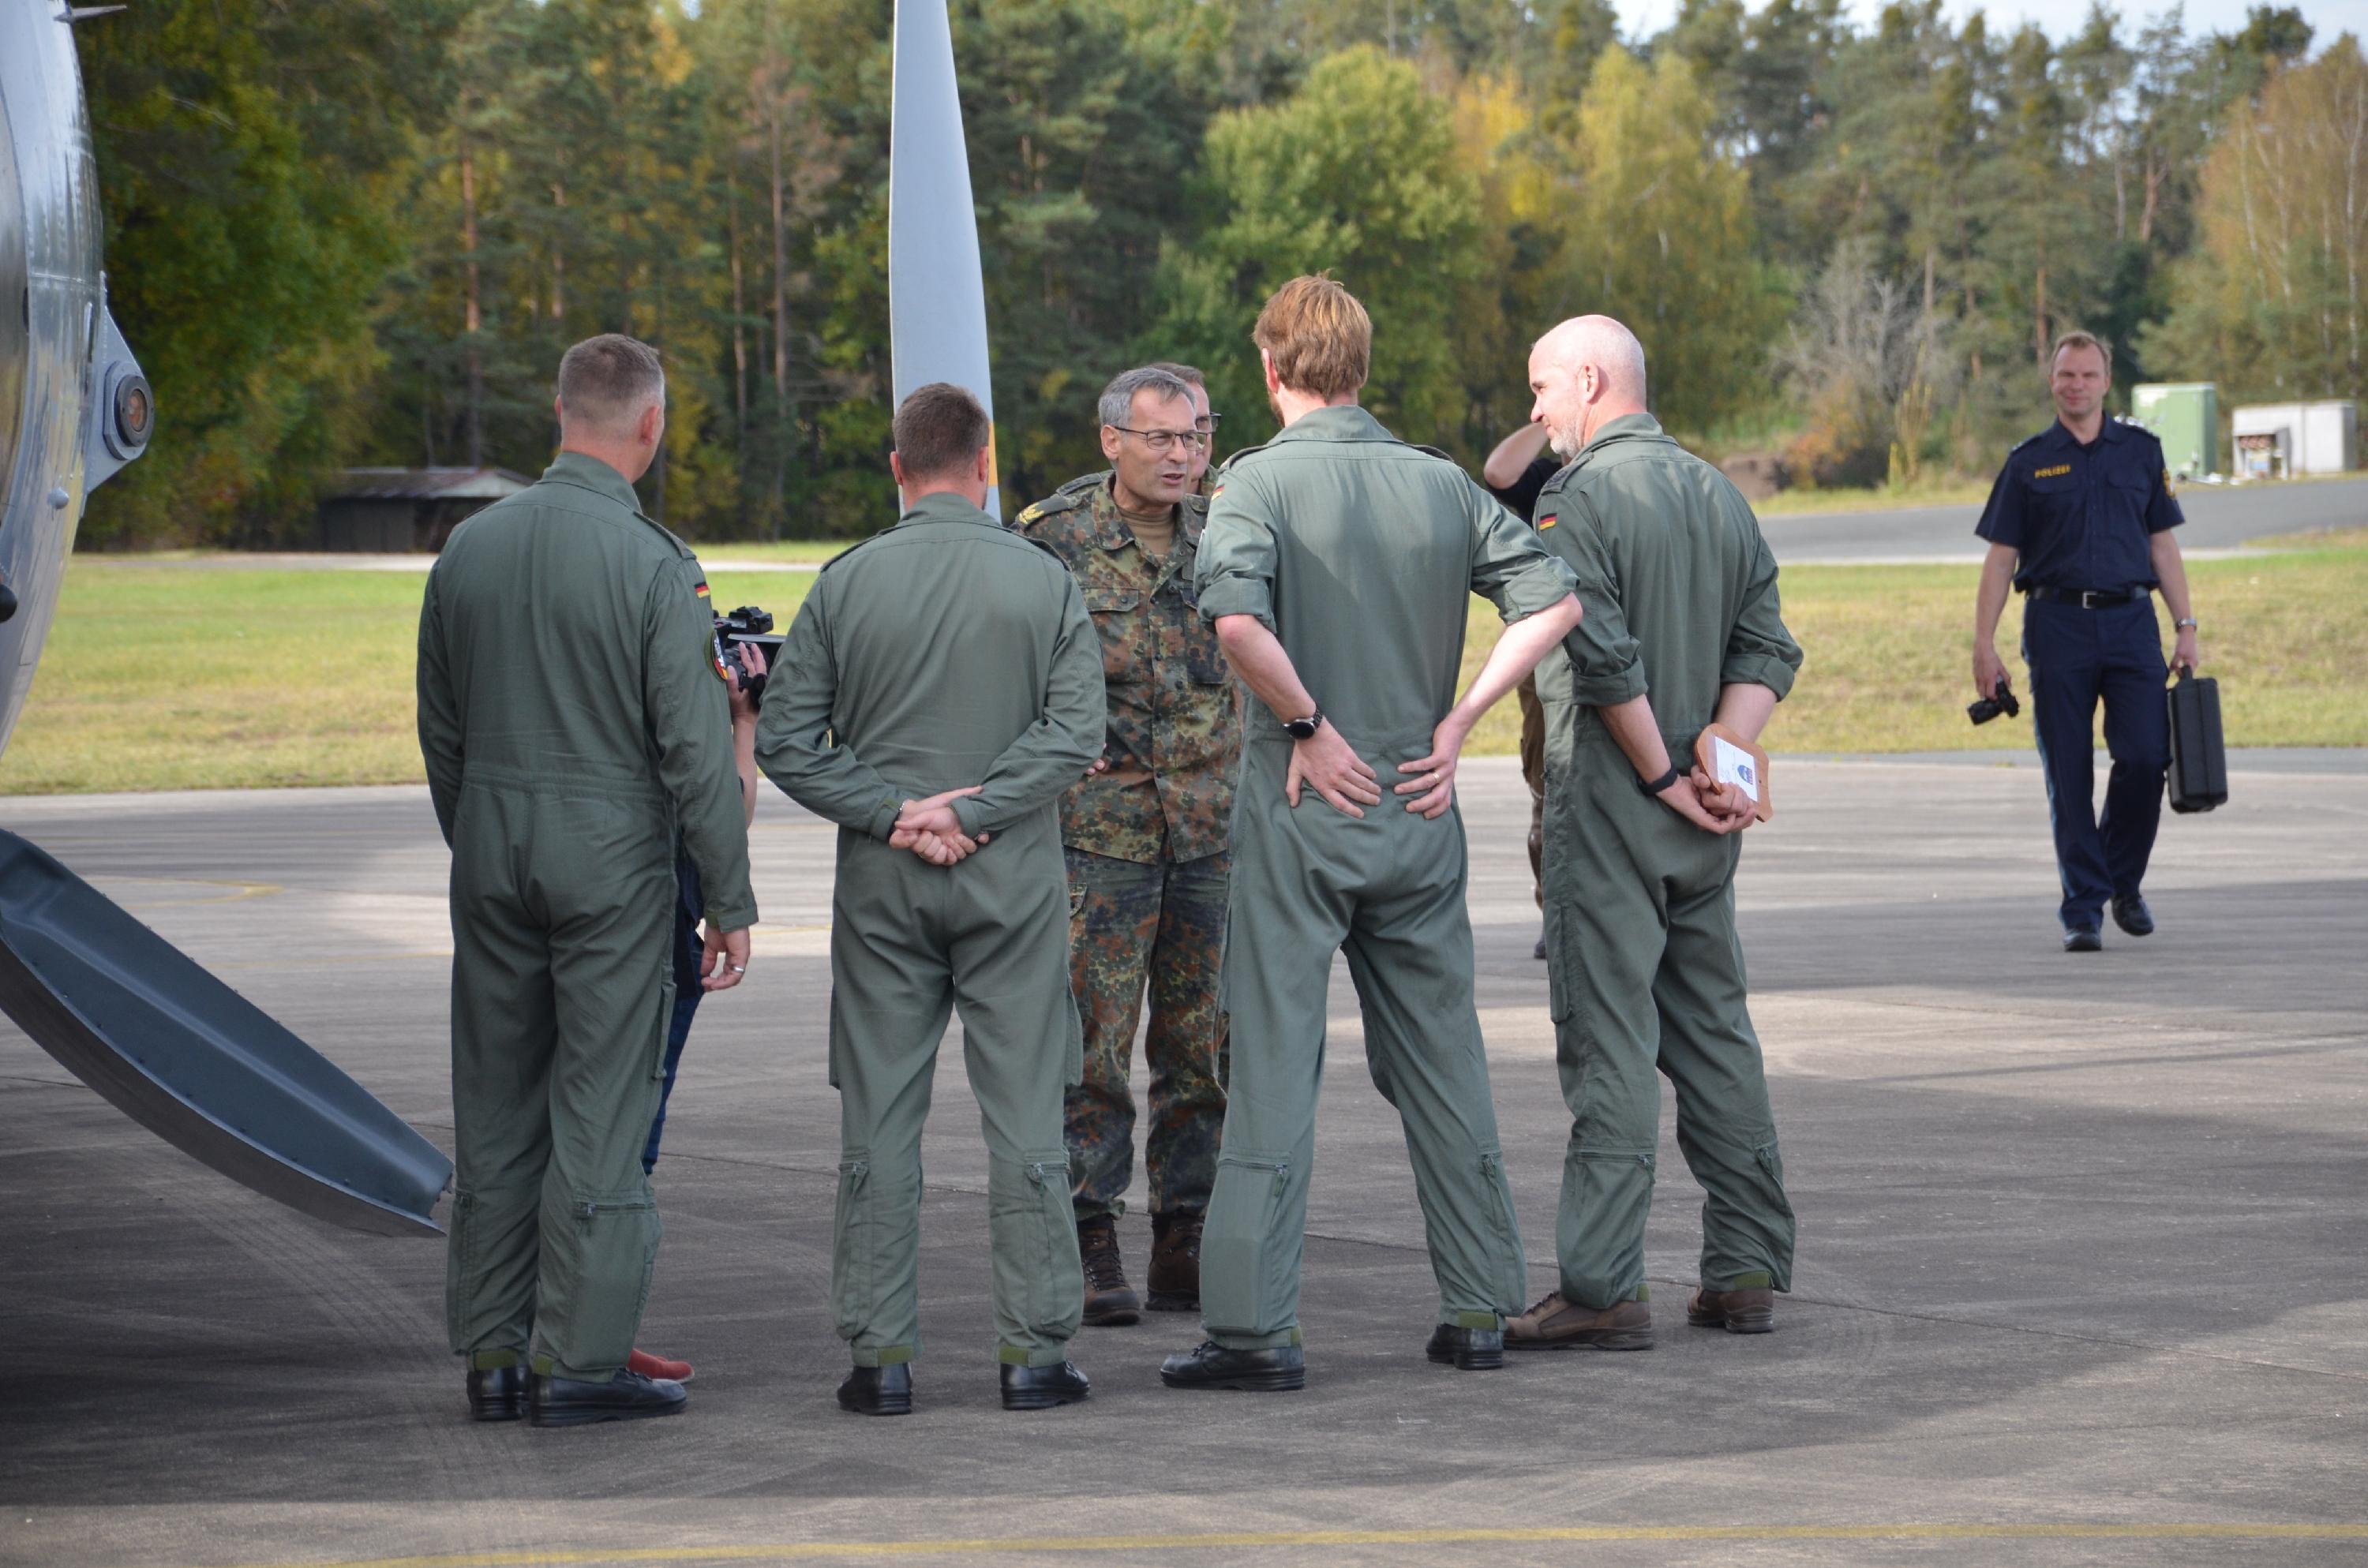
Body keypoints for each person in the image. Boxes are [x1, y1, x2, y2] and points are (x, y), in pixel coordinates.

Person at [1161, 275, 1583, 1393]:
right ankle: (1482, 1302)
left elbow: (1237, 621)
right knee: (1444, 1058)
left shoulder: (1256, 482)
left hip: (1306, 809)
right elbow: (1553, 603)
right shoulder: (1439, 482)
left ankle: (1253, 1326)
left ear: (1271, 370)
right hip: (1417, 804)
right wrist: (1462, 718)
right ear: (1362, 365)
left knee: (1274, 1065)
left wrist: (1306, 724)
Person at [417, 333, 756, 1428]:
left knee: (497, 1106)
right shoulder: (654, 561)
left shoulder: (469, 547)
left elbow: (440, 727)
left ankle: (494, 1354)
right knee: (600, 1110)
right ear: (650, 425)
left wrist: (480, 835)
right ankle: (582, 1358)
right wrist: (729, 898)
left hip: (492, 844)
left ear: (559, 413)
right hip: (611, 862)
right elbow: (695, 752)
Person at [756, 382, 1106, 1416]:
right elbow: (1075, 732)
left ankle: (880, 1356)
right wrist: (981, 809)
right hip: (1012, 881)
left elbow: (785, 739)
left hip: (885, 883)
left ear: (897, 467)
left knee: (878, 1120)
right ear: (986, 464)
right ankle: (1034, 1350)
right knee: (1027, 1116)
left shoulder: (847, 581)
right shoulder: (1043, 580)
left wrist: (894, 813)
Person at [1507, 313, 1800, 1353]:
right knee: (1715, 1031)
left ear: (1590, 380)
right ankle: (1747, 1266)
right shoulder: (1718, 492)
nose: (1537, 410)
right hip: (1706, 819)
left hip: (1612, 807)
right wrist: (1725, 752)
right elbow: (1768, 644)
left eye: (1543, 387)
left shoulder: (1577, 497)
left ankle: (1602, 1282)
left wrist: (1664, 773)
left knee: (1610, 1040)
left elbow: (1599, 656)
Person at [1014, 368, 1240, 1327]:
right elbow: (1011, 661)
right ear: (1112, 440)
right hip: (1098, 835)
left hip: (1209, 830)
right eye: (1162, 438)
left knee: (1202, 1044)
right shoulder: (1052, 539)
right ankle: (1088, 1228)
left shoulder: (1231, 528)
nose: (1183, 455)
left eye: (1196, 436)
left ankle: (1186, 1229)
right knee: (1091, 1046)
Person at [1972, 331, 2198, 952]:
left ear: (2106, 381)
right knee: (2068, 771)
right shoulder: (2028, 462)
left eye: (2088, 375)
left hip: (2131, 624)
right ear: (2053, 382)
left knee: (2147, 756)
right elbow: (2000, 559)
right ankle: (2083, 908)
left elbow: (2162, 546)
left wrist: (2186, 625)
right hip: (2057, 626)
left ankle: (2122, 881)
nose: (2077, 385)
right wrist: (1984, 644)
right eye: (2067, 375)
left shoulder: (2142, 453)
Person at [630, 640, 767, 1386]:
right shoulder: (672, 699)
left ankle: (514, 1343)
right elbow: (726, 811)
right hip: (653, 927)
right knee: (629, 1141)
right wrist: (741, 722)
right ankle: (591, 1333)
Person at [1481, 421, 1561, 960]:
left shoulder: (1626, 477)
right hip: (1549, 658)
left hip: (1625, 651)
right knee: (1546, 787)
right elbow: (1498, 472)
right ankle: (1555, 911)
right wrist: (1546, 420)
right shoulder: (1550, 480)